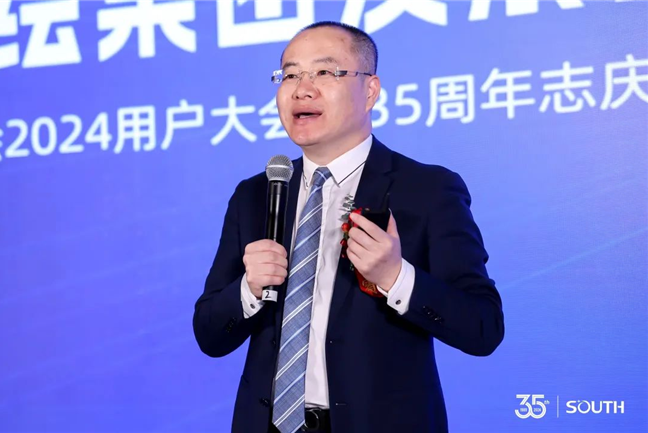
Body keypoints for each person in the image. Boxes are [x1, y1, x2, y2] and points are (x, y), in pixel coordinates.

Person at [193, 21, 504, 433]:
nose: (302, 89)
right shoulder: (256, 194)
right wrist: (248, 290)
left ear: (370, 90)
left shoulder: (426, 189)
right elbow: (210, 335)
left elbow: (483, 328)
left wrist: (395, 277)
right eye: (290, 75)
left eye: (324, 72)